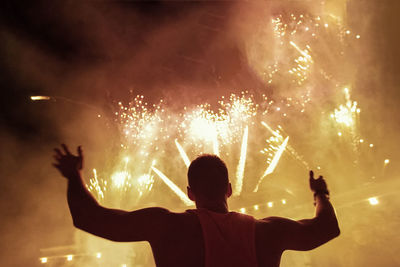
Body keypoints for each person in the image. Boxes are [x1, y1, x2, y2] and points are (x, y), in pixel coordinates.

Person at [53, 144, 340, 267]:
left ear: (190, 192)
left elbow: (89, 218)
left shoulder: (167, 225)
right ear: (229, 189)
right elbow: (326, 228)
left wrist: (73, 176)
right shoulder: (266, 231)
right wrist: (320, 194)